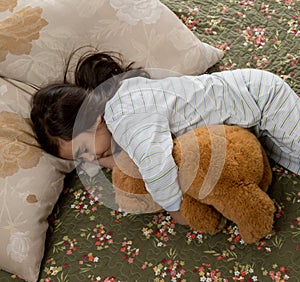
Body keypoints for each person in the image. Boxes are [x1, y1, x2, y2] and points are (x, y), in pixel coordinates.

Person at [30, 51, 300, 225]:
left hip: (262, 99)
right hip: (251, 120)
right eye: (79, 158)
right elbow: (125, 156)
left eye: (85, 149)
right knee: (291, 159)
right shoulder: (117, 101)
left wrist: (175, 209)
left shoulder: (125, 117)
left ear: (94, 117)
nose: (90, 160)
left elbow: (156, 164)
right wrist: (108, 157)